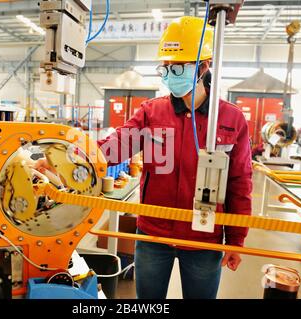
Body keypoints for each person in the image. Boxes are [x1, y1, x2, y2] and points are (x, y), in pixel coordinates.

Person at [97, 17, 252, 299]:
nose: (169, 74)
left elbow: (240, 182)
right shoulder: (152, 112)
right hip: (153, 235)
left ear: (203, 68)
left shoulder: (231, 119)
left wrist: (236, 239)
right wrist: (71, 153)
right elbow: (114, 148)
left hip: (205, 241)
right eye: (165, 68)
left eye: (177, 67)